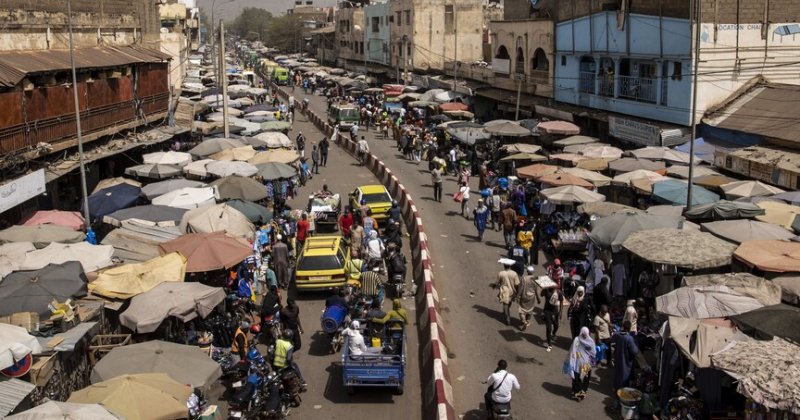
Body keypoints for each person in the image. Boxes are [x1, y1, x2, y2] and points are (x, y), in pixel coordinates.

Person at [613, 320, 647, 392]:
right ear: (629, 328)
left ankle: (616, 388)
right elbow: (634, 351)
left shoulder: (618, 335)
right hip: (626, 361)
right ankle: (622, 391)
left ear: (623, 327)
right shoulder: (629, 338)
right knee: (624, 375)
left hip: (618, 358)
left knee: (618, 374)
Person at [568, 327, 596, 401]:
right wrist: (592, 364)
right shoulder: (591, 341)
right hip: (586, 364)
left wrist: (572, 360)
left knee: (577, 379)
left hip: (578, 363)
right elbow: (593, 354)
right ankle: (582, 393)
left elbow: (573, 351)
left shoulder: (577, 339)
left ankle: (575, 393)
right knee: (585, 379)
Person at [495, 262, 520, 326]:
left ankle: (508, 318)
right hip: (512, 291)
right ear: (510, 266)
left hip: (504, 291)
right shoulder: (514, 273)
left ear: (504, 265)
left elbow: (497, 282)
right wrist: (518, 293)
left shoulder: (501, 273)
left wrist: (494, 286)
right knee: (508, 303)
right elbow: (517, 284)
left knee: (505, 305)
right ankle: (506, 313)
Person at [541, 286, 563, 352]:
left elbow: (561, 301)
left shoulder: (558, 292)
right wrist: (543, 289)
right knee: (548, 328)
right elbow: (541, 294)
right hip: (547, 311)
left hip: (555, 311)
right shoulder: (546, 290)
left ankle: (554, 333)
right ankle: (549, 344)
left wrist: (561, 312)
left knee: (556, 325)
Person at [517, 266, 538, 331]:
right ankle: (528, 321)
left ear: (527, 271)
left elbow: (521, 288)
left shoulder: (524, 278)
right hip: (532, 297)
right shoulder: (535, 278)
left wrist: (518, 296)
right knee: (530, 309)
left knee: (522, 310)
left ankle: (524, 321)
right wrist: (538, 297)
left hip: (524, 296)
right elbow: (536, 289)